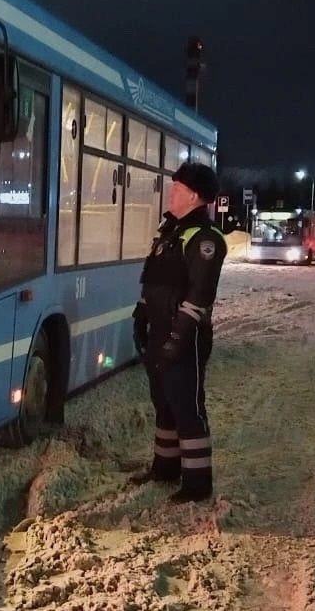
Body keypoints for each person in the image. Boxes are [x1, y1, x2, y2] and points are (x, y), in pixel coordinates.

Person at [130, 162, 227, 503]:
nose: (170, 193)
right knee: (164, 403)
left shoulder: (205, 239)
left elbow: (199, 295)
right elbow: (155, 278)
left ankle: (197, 482)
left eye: (176, 188)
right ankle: (165, 468)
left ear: (194, 195)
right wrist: (141, 314)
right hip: (160, 331)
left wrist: (178, 338)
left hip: (186, 336)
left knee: (187, 407)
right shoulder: (171, 232)